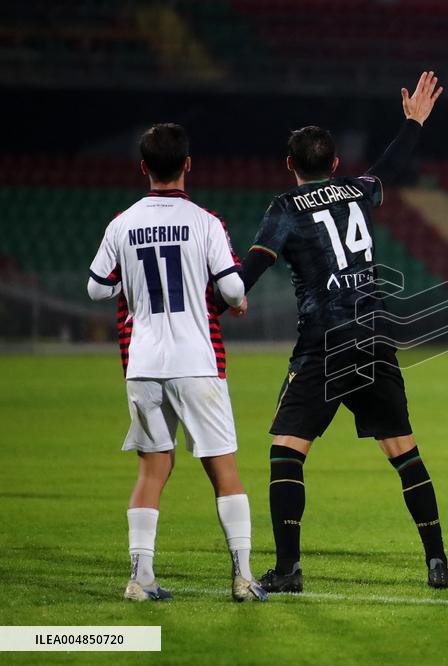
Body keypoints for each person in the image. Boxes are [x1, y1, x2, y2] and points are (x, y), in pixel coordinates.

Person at [235, 72, 448, 591]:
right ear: (334, 164)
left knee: (287, 450)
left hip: (325, 343)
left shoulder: (284, 209)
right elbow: (391, 167)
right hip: (375, 336)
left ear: (290, 166)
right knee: (404, 452)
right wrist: (414, 124)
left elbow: (250, 272)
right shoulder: (357, 191)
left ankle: (288, 570)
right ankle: (437, 562)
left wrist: (219, 300)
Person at [86, 123, 266, 602]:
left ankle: (140, 580)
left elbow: (96, 287)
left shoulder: (121, 223)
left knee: (152, 470)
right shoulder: (205, 222)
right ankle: (244, 579)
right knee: (223, 469)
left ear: (143, 167)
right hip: (197, 360)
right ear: (188, 164)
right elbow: (231, 289)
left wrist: (132, 288)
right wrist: (238, 298)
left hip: (142, 363)